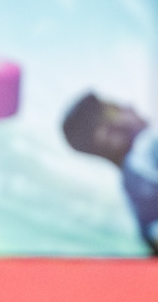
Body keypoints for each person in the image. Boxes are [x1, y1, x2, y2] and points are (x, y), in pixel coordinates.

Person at [61, 91, 158, 255]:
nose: (129, 105)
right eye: (116, 108)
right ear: (108, 134)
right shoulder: (147, 147)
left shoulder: (131, 188)